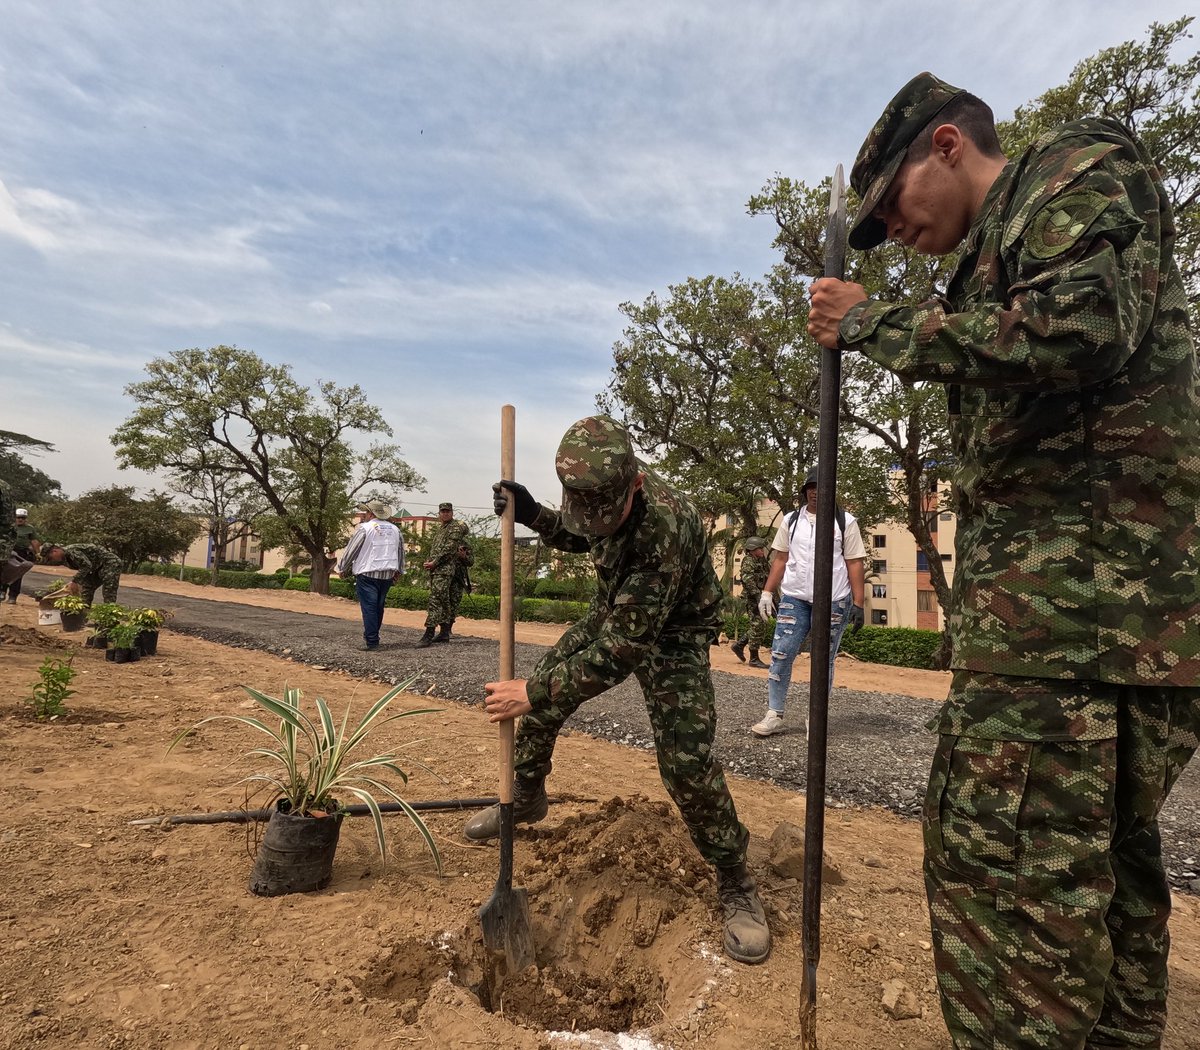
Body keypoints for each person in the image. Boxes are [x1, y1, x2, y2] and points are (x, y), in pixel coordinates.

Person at [807, 72, 1200, 1049]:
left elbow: (1081, 326)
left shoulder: (1074, 168)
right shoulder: (1005, 249)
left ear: (946, 146)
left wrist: (873, 322)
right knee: (1101, 899)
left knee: (1007, 900)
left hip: (1072, 640)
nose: (888, 232)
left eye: (889, 206)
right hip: (1093, 643)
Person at [464, 415, 771, 966]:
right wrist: (532, 512)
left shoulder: (665, 529)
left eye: (606, 514)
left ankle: (735, 879)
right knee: (539, 701)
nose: (596, 524)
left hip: (671, 639)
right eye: (587, 512)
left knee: (686, 766)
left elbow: (623, 652)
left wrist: (533, 691)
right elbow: (581, 535)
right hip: (613, 617)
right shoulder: (600, 494)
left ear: (636, 484)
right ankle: (528, 797)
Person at [750, 469, 865, 737]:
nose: (815, 491)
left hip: (834, 600)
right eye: (810, 487)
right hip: (795, 598)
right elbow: (780, 558)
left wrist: (858, 604)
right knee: (781, 653)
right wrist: (767, 592)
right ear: (804, 492)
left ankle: (816, 716)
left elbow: (855, 562)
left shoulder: (845, 522)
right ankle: (774, 713)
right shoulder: (791, 521)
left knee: (823, 659)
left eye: (820, 486)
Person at [336, 500, 403, 652]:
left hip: (368, 573)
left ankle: (372, 640)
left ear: (371, 514)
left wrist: (342, 568)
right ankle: (373, 637)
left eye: (366, 512)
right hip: (387, 574)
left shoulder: (365, 528)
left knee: (369, 607)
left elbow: (352, 550)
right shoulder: (395, 529)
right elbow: (400, 551)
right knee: (379, 607)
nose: (364, 515)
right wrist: (399, 570)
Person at [417, 502, 470, 647]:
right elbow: (438, 548)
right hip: (438, 570)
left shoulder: (455, 528)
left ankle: (429, 633)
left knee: (436, 600)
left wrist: (435, 562)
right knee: (444, 601)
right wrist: (431, 562)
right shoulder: (441, 529)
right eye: (442, 511)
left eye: (447, 511)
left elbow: (448, 549)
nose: (445, 513)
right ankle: (445, 632)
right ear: (439, 513)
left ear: (452, 513)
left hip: (446, 571)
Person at [730, 536, 771, 668]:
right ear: (753, 549)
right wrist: (758, 595)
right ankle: (753, 658)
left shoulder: (760, 560)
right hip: (753, 598)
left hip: (761, 596)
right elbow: (747, 580)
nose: (762, 550)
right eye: (759, 548)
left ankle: (739, 645)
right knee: (757, 625)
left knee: (759, 624)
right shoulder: (749, 561)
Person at [39, 541, 123, 605]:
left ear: (55, 551)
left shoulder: (72, 551)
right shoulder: (64, 558)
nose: (52, 560)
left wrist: (75, 581)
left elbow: (86, 565)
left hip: (109, 563)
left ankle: (109, 619)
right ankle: (82, 617)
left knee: (109, 591)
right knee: (86, 590)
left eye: (50, 558)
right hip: (95, 568)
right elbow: (85, 568)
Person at [5, 507, 40, 603]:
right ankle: (2, 592)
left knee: (17, 574)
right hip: (7, 551)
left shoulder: (29, 528)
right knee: (3, 572)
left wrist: (38, 553)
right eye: (18, 517)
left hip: (21, 553)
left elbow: (34, 541)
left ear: (26, 519)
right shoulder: (8, 526)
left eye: (23, 518)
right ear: (14, 517)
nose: (20, 519)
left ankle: (13, 596)